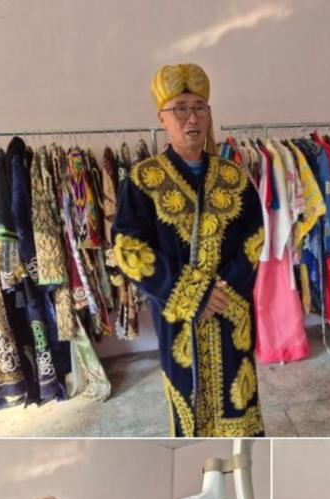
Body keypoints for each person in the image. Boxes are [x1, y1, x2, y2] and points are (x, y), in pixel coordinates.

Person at [112, 63, 265, 437]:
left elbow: (255, 238)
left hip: (231, 309)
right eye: (180, 109)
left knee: (237, 396)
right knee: (187, 393)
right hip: (177, 314)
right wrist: (194, 292)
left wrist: (220, 291)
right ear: (162, 118)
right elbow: (128, 247)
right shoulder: (143, 180)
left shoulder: (234, 176)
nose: (192, 118)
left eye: (199, 108)